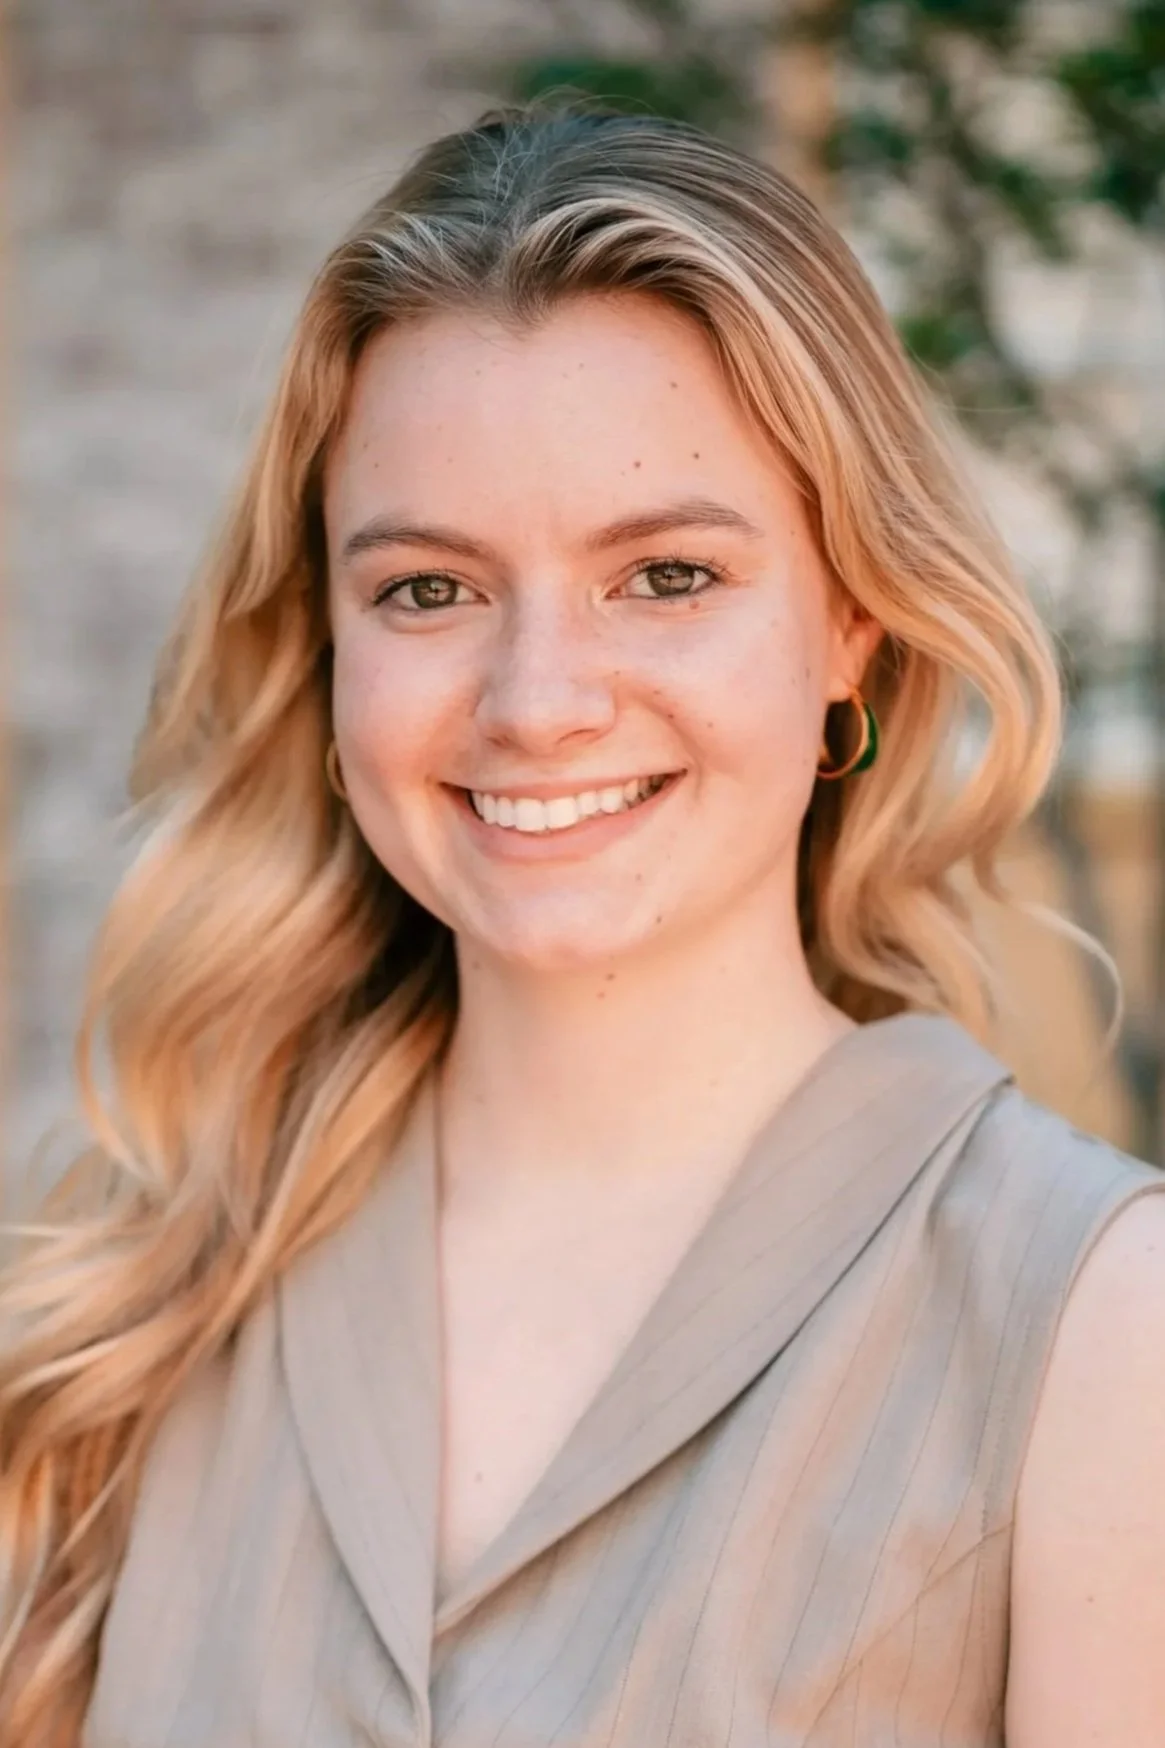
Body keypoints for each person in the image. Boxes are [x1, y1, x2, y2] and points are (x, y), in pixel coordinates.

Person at [2, 101, 1164, 1748]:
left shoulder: (1101, 1332)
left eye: (668, 575)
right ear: (328, 652)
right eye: (429, 589)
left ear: (848, 619)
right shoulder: (158, 1306)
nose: (538, 702)